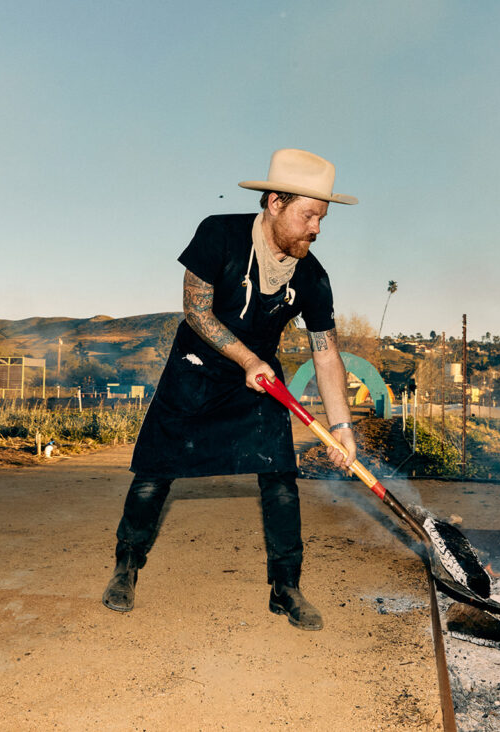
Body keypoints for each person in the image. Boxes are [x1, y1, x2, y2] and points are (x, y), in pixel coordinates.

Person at [102, 149, 359, 631]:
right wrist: (247, 359)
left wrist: (342, 425)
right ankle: (126, 566)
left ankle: (286, 587)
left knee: (280, 478)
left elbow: (326, 355)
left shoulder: (312, 276)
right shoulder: (218, 234)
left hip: (259, 384)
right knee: (155, 474)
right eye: (309, 216)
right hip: (195, 371)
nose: (317, 229)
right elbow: (196, 312)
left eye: (322, 219)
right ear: (275, 202)